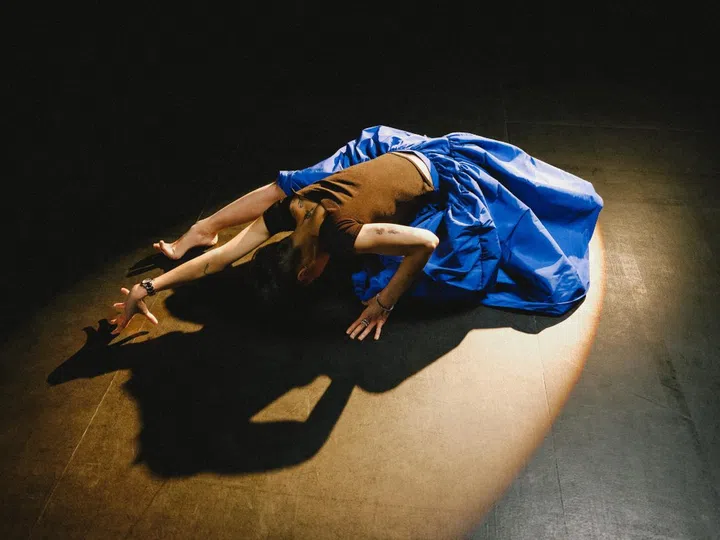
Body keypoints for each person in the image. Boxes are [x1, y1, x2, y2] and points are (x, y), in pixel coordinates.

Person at [111, 125, 603, 341]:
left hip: (444, 171)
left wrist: (383, 303)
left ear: (305, 272)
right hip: (388, 162)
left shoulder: (346, 236)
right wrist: (147, 288)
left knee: (453, 275)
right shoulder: (291, 211)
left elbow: (425, 244)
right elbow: (221, 258)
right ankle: (201, 229)